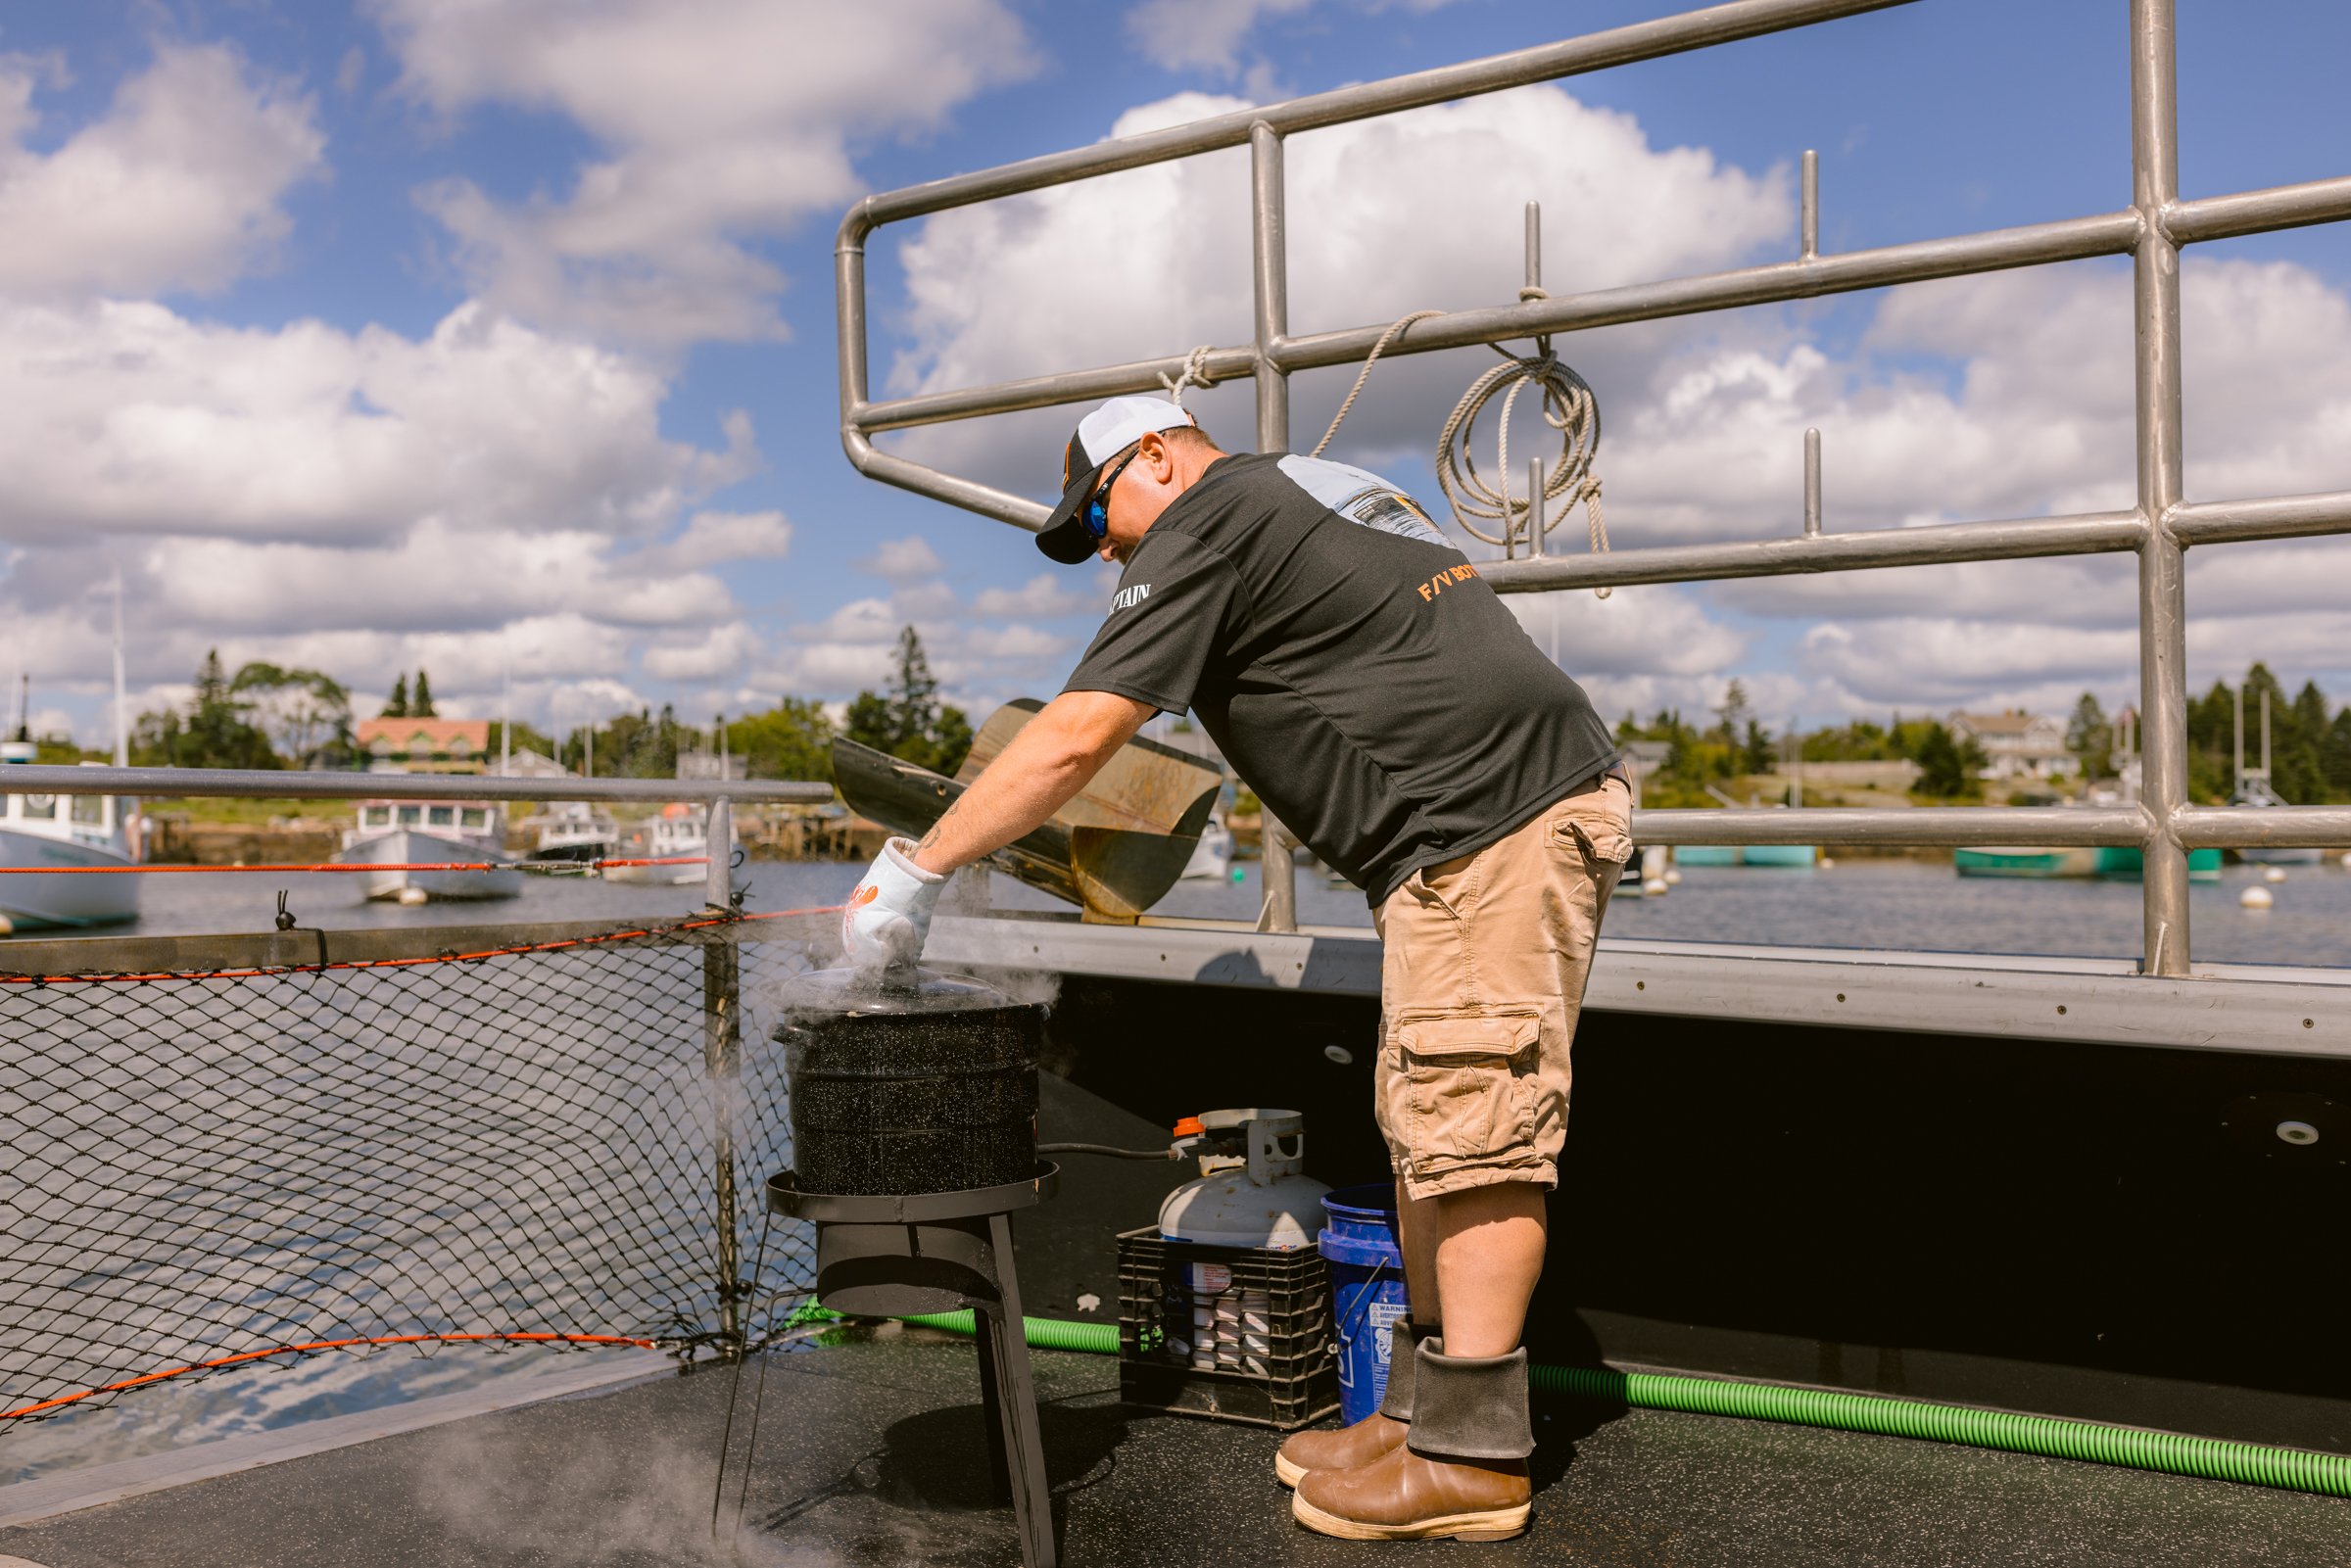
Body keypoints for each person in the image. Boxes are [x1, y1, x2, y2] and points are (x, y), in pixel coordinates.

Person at [842, 394, 1629, 1544]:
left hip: (1485, 826)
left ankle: (1474, 1458)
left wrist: (917, 867)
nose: (1106, 544)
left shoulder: (1209, 516)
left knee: (1476, 1133)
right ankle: (1417, 1415)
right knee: (1427, 1129)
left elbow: (1075, 732)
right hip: (1458, 837)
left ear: (1157, 452)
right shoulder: (1293, 490)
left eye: (1100, 510)